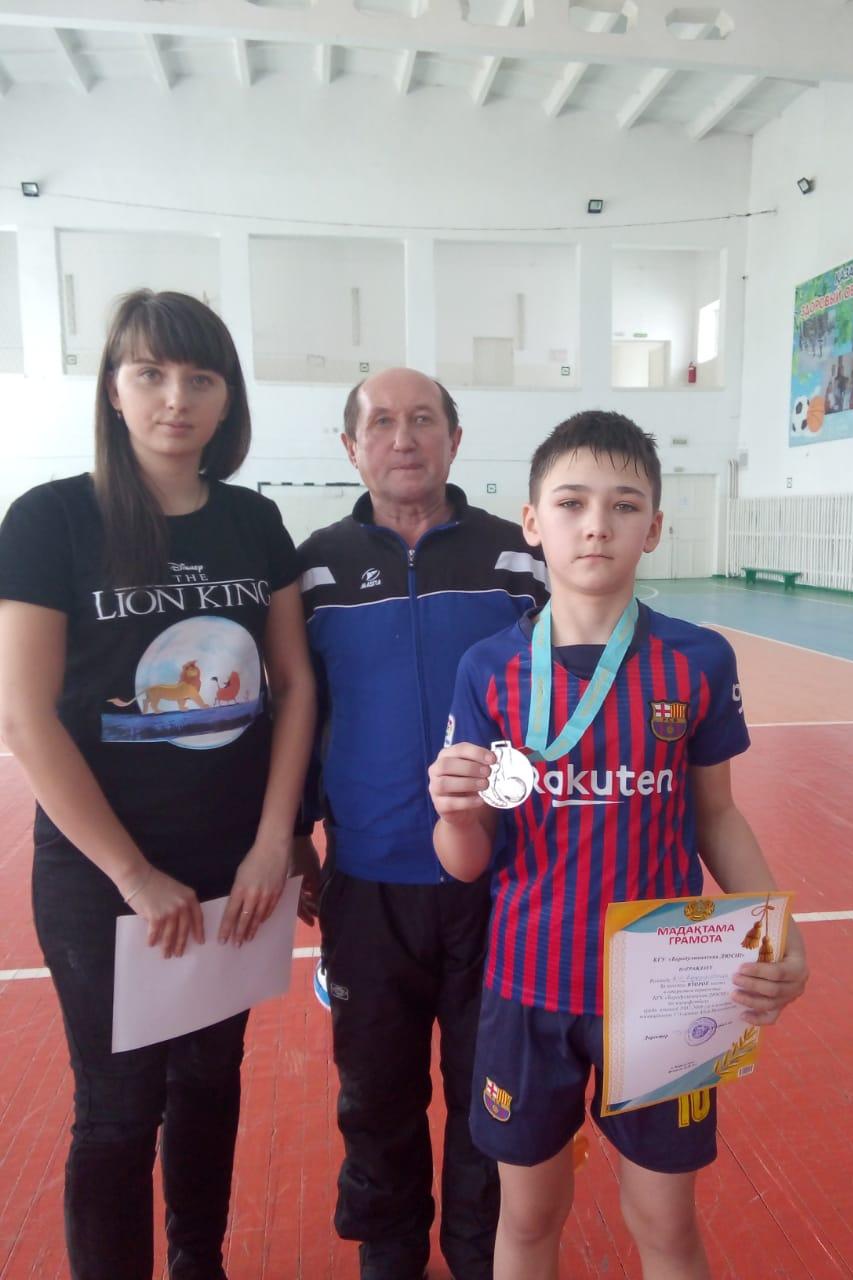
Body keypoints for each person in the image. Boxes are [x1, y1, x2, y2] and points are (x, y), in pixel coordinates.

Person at [428, 410, 809, 1280]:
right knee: (528, 1218)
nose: (596, 524)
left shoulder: (698, 660)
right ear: (533, 522)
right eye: (571, 503)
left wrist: (779, 931)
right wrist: (454, 813)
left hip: (667, 988)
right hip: (527, 983)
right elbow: (465, 861)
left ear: (655, 527)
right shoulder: (489, 669)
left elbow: (718, 817)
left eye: (624, 504)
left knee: (665, 1224)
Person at [0, 289, 315, 1280]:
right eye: (150, 373)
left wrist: (273, 842)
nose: (176, 397)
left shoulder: (254, 521)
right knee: (118, 1107)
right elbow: (23, 715)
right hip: (103, 874)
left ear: (227, 398)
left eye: (200, 377)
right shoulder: (51, 518)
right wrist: (133, 875)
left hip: (233, 865)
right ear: (113, 388)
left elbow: (294, 685)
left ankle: (197, 1261)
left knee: (211, 1078)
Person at [295, 367, 549, 1280]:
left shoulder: (516, 559)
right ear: (350, 446)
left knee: (490, 1091)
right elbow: (298, 711)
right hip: (366, 885)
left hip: (502, 886)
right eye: (381, 422)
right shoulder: (315, 569)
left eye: (423, 419)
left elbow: (562, 708)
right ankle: (390, 1252)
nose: (403, 438)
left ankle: (480, 1255)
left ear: (455, 438)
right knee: (375, 1092)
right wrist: (294, 835)